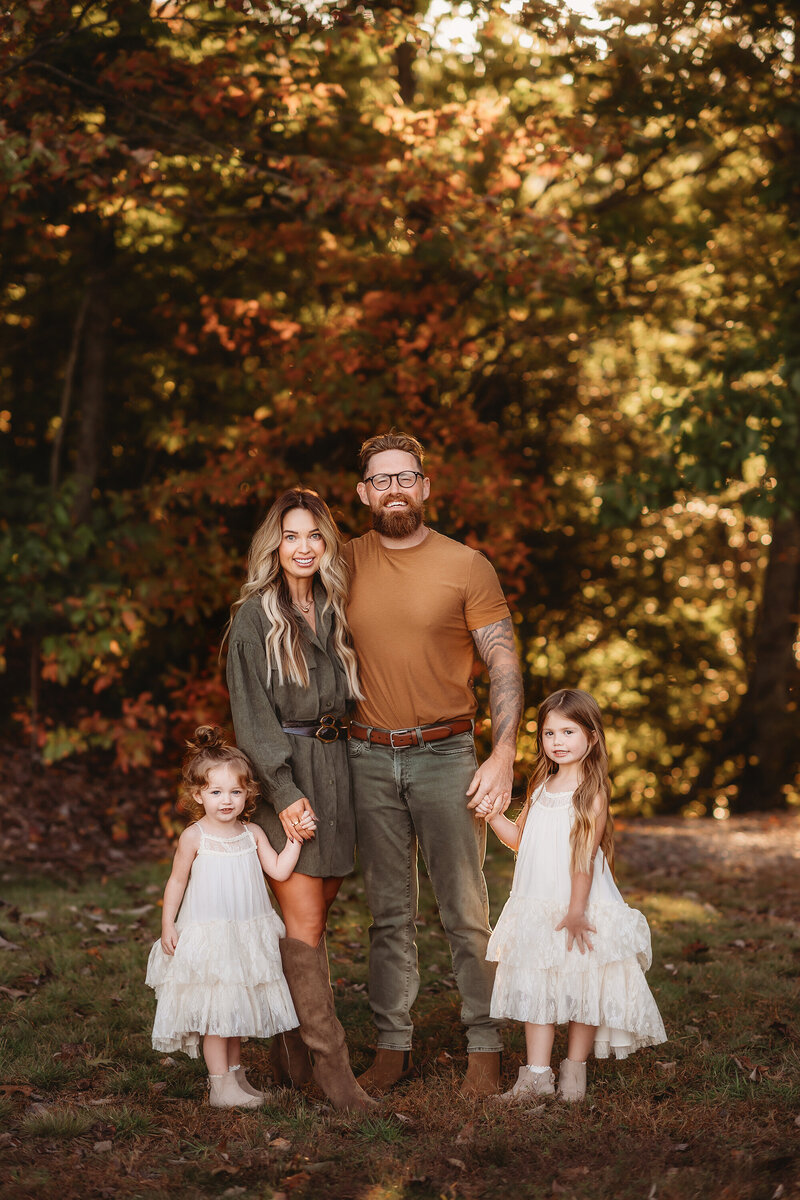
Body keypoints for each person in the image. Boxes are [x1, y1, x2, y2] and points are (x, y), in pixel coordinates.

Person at [344, 431, 524, 1098]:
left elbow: (502, 660)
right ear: (364, 493)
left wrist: (503, 754)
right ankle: (391, 1049)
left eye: (405, 477)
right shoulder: (340, 561)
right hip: (365, 754)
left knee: (465, 909)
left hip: (449, 753)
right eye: (380, 479)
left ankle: (485, 1048)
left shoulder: (466, 564)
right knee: (388, 915)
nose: (394, 488)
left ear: (425, 487)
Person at [225, 487, 376, 1113]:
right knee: (307, 926)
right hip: (288, 772)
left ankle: (288, 1050)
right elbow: (253, 718)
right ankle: (333, 1071)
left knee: (308, 921)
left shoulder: (341, 609)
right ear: (274, 545)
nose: (304, 546)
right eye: (291, 536)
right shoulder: (254, 619)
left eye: (314, 535)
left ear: (327, 544)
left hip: (344, 770)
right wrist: (283, 794)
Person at [478, 688, 667, 1103]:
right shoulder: (541, 786)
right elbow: (520, 840)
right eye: (549, 733)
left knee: (584, 985)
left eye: (568, 731)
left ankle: (574, 1075)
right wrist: (494, 818)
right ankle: (537, 1075)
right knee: (538, 985)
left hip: (579, 906)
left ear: (591, 737)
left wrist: (577, 911)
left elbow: (583, 860)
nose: (558, 742)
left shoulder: (591, 794)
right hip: (537, 904)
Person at [145, 726, 308, 1109]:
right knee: (217, 1012)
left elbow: (280, 871)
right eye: (216, 792)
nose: (226, 800)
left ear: (248, 792)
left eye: (235, 791)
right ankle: (219, 1086)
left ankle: (236, 1078)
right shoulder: (195, 837)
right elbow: (176, 882)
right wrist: (168, 924)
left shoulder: (251, 833)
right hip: (210, 938)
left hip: (245, 936)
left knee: (235, 1011)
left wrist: (297, 839)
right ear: (198, 794)